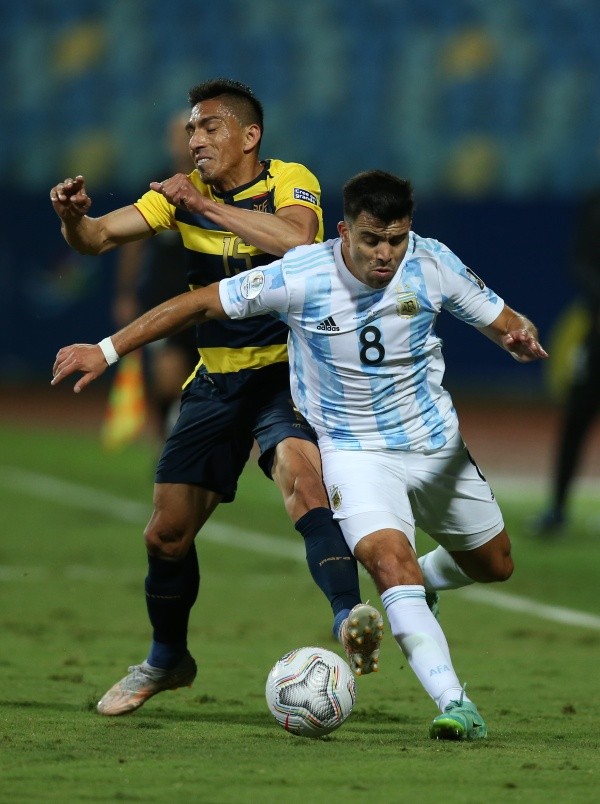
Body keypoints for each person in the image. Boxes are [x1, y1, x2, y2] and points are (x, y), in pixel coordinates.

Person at [52, 169, 548, 740]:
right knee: (389, 565)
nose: (385, 254)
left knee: (495, 564)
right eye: (371, 240)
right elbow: (197, 304)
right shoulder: (301, 274)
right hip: (355, 455)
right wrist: (108, 349)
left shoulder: (432, 262)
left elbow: (505, 321)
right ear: (343, 233)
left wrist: (517, 338)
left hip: (437, 448)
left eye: (396, 239)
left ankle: (428, 584)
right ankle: (456, 703)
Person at [49, 79, 383, 718]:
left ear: (248, 136)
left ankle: (347, 618)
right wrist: (74, 218)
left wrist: (198, 208)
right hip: (215, 378)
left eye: (207, 128)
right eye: (190, 130)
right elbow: (97, 239)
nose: (194, 140)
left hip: (287, 375)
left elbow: (298, 241)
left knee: (301, 480)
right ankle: (167, 658)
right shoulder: (179, 192)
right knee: (165, 536)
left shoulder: (290, 180)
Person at [112, 110, 198, 441]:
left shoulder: (217, 188)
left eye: (188, 133)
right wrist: (125, 293)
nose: (183, 142)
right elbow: (131, 244)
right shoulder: (158, 185)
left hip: (210, 297)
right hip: (165, 296)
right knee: (167, 376)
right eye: (177, 135)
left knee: (201, 378)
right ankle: (167, 442)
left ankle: (191, 444)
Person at [533, 186, 600, 537]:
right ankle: (558, 508)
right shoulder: (593, 203)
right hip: (597, 329)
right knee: (576, 416)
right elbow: (580, 260)